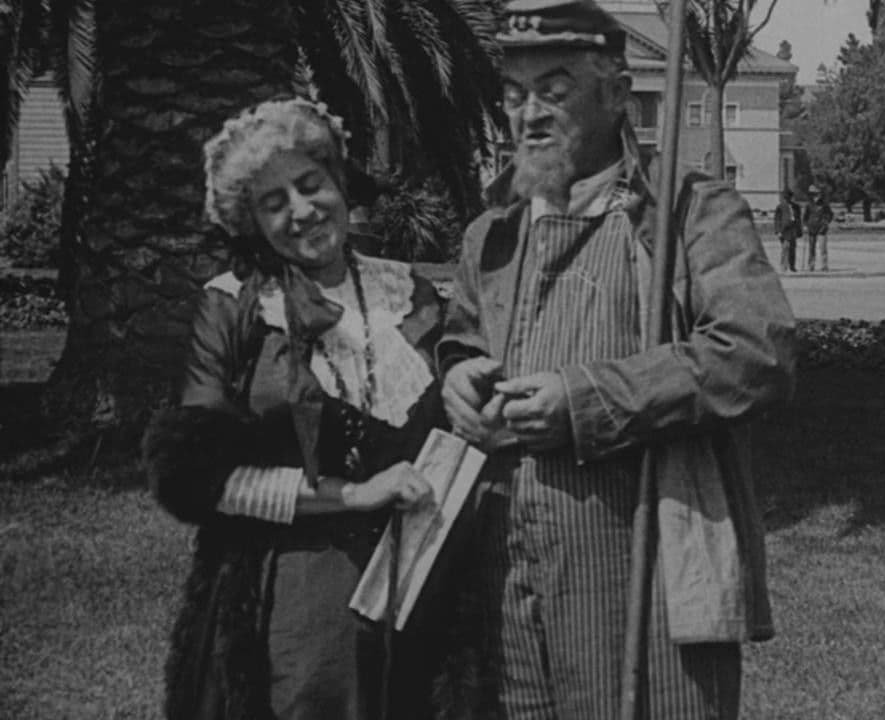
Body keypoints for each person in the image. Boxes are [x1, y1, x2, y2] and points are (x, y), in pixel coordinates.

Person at [437, 1, 796, 717]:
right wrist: (457, 375)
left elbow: (758, 352)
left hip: (644, 567)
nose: (529, 115)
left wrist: (585, 400)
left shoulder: (690, 213)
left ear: (617, 94)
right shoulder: (493, 233)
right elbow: (464, 336)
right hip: (509, 575)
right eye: (514, 95)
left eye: (554, 91)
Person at [143, 97, 470, 720]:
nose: (301, 211)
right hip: (297, 600)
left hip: (420, 584)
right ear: (251, 222)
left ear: (338, 181)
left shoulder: (413, 292)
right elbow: (194, 480)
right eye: (273, 203)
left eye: (310, 184)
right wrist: (354, 494)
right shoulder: (234, 306)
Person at [802, 184, 834, 271]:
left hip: (822, 228)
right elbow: (805, 217)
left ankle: (824, 265)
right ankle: (811, 265)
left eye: (817, 194)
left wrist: (826, 222)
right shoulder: (808, 205)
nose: (815, 196)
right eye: (813, 194)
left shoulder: (824, 204)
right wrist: (805, 225)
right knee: (811, 248)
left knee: (823, 248)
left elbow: (830, 215)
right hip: (811, 228)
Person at [773, 188, 801, 272]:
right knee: (785, 248)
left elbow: (798, 219)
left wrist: (799, 230)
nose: (787, 199)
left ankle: (792, 266)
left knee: (793, 248)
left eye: (789, 197)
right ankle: (783, 266)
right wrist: (778, 231)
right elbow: (777, 219)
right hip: (784, 230)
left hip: (793, 230)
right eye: (786, 197)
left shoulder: (796, 207)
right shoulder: (780, 207)